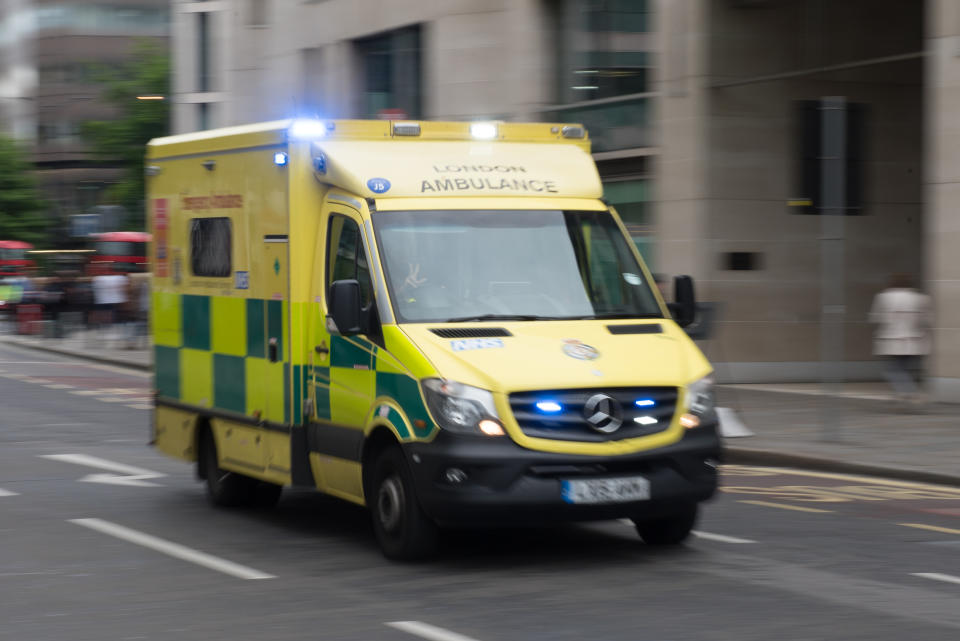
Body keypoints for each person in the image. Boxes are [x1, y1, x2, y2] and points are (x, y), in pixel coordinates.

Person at [869, 273, 933, 405]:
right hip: (914, 339)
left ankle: (909, 392)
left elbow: (876, 317)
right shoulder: (921, 298)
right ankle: (903, 392)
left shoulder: (883, 297)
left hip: (892, 338)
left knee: (892, 370)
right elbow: (927, 320)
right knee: (903, 368)